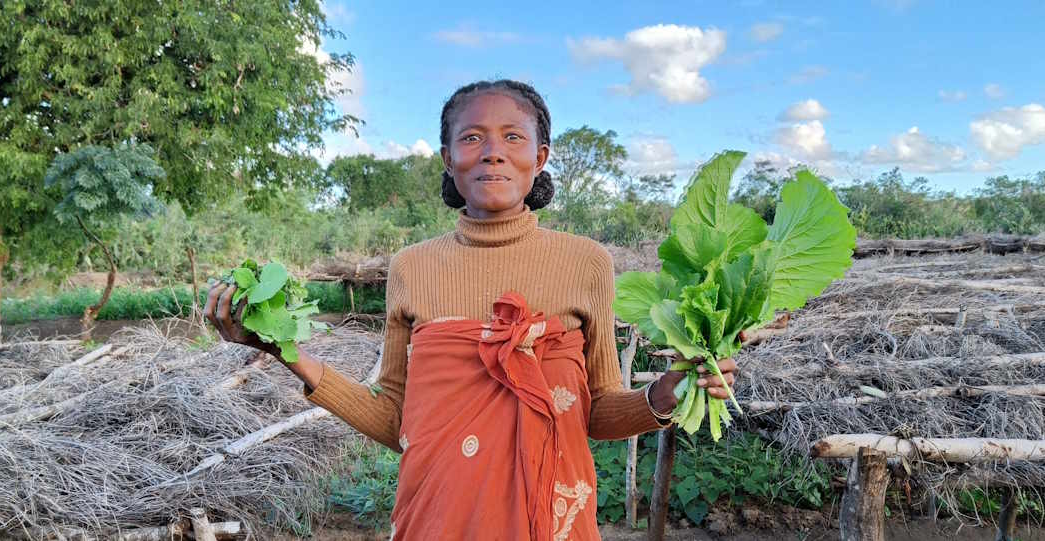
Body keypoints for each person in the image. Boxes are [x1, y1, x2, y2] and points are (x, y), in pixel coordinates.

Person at [204, 79, 739, 541]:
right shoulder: (412, 266)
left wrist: (662, 395)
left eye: (513, 137)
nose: (492, 151)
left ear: (541, 156)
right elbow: (396, 420)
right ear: (447, 157)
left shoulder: (586, 263)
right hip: (438, 513)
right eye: (472, 137)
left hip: (549, 516)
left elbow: (593, 411)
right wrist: (284, 349)